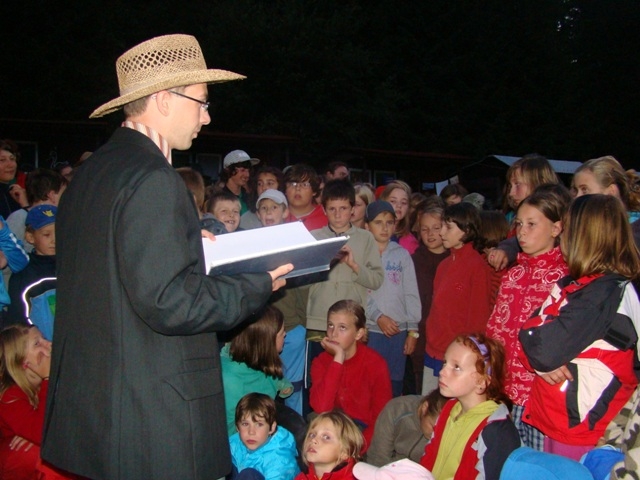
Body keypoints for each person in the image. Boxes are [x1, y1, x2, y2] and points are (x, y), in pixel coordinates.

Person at [40, 34, 293, 480]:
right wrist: (254, 285)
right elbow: (169, 302)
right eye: (201, 102)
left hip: (97, 411)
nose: (206, 116)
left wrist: (189, 248)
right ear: (162, 99)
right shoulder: (154, 178)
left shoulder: (91, 174)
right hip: (149, 415)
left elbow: (117, 273)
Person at [519, 194, 640, 461]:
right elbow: (528, 335)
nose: (561, 236)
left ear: (584, 237)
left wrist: (539, 351)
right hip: (563, 421)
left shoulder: (603, 294)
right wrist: (537, 349)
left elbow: (544, 349)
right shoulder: (578, 284)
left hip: (582, 428)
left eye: (567, 229)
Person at [486, 189, 569, 451]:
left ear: (556, 228)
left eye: (532, 224)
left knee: (535, 462)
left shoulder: (565, 278)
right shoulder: (513, 275)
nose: (522, 232)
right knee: (503, 458)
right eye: (519, 224)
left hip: (539, 396)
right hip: (504, 391)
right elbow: (495, 328)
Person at [420, 334, 521, 479]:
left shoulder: (495, 430)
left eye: (456, 367)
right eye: (445, 363)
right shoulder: (449, 409)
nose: (442, 372)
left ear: (481, 381)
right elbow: (430, 454)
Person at [422, 202, 494, 395]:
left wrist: (467, 355)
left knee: (451, 404)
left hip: (456, 355)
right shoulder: (444, 265)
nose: (441, 233)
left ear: (466, 230)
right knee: (430, 404)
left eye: (448, 227)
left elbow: (478, 318)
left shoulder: (477, 267)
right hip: (433, 349)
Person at [309, 300, 392, 449]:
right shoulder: (321, 361)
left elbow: (381, 417)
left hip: (363, 431)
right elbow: (321, 408)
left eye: (342, 327)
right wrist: (338, 359)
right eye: (330, 326)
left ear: (358, 333)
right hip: (331, 426)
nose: (333, 334)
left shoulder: (375, 364)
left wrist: (358, 448)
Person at [364, 200, 421, 397]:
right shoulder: (361, 254)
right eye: (378, 222)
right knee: (370, 382)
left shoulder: (402, 255)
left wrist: (413, 331)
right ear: (367, 226)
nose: (384, 228)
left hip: (398, 331)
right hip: (370, 329)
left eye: (389, 222)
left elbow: (411, 292)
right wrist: (377, 316)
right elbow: (358, 291)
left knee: (393, 383)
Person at [221, 305, 293, 435]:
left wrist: (283, 384)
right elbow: (227, 425)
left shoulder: (258, 359)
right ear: (267, 341)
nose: (285, 334)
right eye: (282, 332)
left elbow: (271, 374)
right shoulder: (229, 379)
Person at [0, 325, 51, 480]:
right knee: (32, 454)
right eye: (37, 343)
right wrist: (47, 378)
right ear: (23, 363)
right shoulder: (9, 397)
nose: (49, 343)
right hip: (15, 463)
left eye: (44, 338)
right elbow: (43, 433)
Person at [410, 201, 449, 394]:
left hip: (446, 334)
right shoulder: (414, 261)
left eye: (436, 228)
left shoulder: (453, 259)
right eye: (425, 229)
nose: (430, 234)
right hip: (421, 333)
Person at [7, 206, 58, 338]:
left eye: (59, 232)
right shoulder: (24, 274)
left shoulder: (72, 265)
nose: (55, 240)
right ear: (30, 237)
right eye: (46, 234)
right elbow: (18, 321)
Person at [365, 388, 447, 467]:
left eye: (441, 431)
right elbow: (378, 457)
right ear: (425, 408)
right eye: (432, 427)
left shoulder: (451, 427)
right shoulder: (397, 409)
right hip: (386, 467)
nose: (434, 435)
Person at [571, 155, 640, 247]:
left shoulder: (634, 235)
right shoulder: (579, 229)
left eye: (585, 190)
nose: (577, 197)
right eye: (576, 190)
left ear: (611, 191)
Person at [229, 393, 299, 480]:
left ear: (272, 428)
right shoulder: (234, 443)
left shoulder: (279, 459)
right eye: (245, 424)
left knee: (248, 475)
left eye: (259, 424)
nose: (251, 432)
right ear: (237, 427)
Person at [6, 168, 67, 253]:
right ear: (52, 195)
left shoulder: (61, 218)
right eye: (64, 194)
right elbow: (6, 251)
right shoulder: (20, 217)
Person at [295, 410, 364, 480]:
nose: (313, 440)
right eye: (312, 435)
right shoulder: (301, 478)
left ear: (344, 452)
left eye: (326, 437)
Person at [284, 164, 328, 231]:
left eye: (304, 185)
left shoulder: (327, 216)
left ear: (314, 191)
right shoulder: (275, 217)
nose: (298, 188)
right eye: (293, 184)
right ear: (285, 190)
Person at [380, 181, 419, 254]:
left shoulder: (411, 243)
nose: (399, 206)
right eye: (393, 201)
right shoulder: (369, 232)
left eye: (403, 202)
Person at [220, 149, 260, 215]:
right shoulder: (219, 198)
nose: (247, 175)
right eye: (242, 170)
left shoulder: (250, 197)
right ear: (228, 170)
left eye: (248, 171)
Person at [0, 140, 28, 220]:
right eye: (2, 160)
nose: (11, 165)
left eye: (12, 159)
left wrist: (25, 204)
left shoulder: (16, 193)